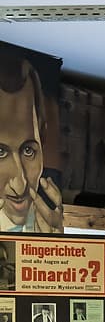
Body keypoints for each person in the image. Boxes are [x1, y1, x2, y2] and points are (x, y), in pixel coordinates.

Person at [0, 57, 61, 234]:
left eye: (28, 151)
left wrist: (56, 248)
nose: (20, 185)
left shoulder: (48, 220)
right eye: (0, 152)